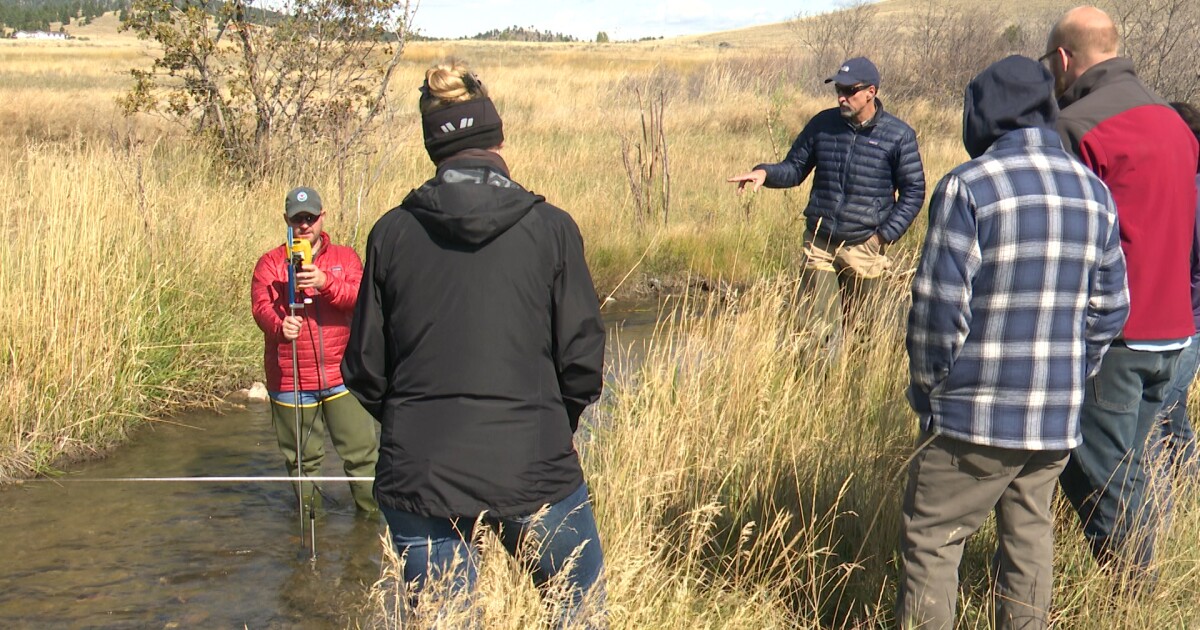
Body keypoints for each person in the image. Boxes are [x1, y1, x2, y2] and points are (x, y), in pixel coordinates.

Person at [341, 62, 606, 625]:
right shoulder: (552, 228)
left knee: (443, 618)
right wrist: (554, 423)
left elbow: (364, 368)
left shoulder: (390, 233)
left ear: (432, 147)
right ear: (498, 139)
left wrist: (412, 424)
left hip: (419, 468)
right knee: (578, 612)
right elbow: (582, 361)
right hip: (533, 462)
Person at [898, 56, 1129, 630]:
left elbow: (937, 311)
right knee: (1029, 542)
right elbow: (1111, 308)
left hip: (973, 417)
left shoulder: (968, 187)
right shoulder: (1094, 194)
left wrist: (930, 393)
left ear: (984, 115)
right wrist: (1073, 375)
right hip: (1052, 421)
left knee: (932, 541)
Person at [1044, 5, 1200, 574]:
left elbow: (1062, 242)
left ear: (1063, 59)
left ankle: (1137, 585)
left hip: (1116, 334)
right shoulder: (1174, 122)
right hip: (1175, 332)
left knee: (1092, 466)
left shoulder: (1077, 125)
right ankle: (1144, 578)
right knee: (1128, 465)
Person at [727, 56, 925, 339]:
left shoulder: (898, 135)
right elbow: (795, 169)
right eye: (838, 91)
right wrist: (764, 173)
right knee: (816, 335)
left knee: (863, 335)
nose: (842, 98)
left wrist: (881, 238)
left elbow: (914, 192)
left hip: (864, 246)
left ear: (871, 92)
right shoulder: (822, 124)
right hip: (820, 243)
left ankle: (853, 383)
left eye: (849, 91)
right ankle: (817, 381)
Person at [250, 186, 379, 515]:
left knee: (362, 456)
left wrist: (325, 283)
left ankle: (371, 529)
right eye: (297, 219)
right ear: (286, 221)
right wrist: (281, 327)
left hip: (341, 376)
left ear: (322, 217)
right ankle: (311, 525)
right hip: (291, 380)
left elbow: (360, 299)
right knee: (302, 463)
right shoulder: (270, 264)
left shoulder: (345, 258)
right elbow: (261, 308)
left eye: (310, 218)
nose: (304, 225)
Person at [1153, 101, 1200, 479]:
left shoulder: (1191, 190)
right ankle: (1188, 478)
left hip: (1188, 322)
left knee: (1160, 406)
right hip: (1178, 320)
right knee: (1172, 406)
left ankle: (1160, 507)